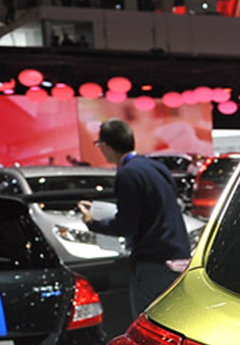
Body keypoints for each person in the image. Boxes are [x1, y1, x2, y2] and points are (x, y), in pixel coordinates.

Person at [79, 119, 192, 318]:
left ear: (105, 146)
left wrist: (92, 222)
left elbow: (126, 225)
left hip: (153, 262)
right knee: (174, 320)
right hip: (179, 256)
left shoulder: (127, 174)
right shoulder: (156, 167)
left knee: (147, 322)